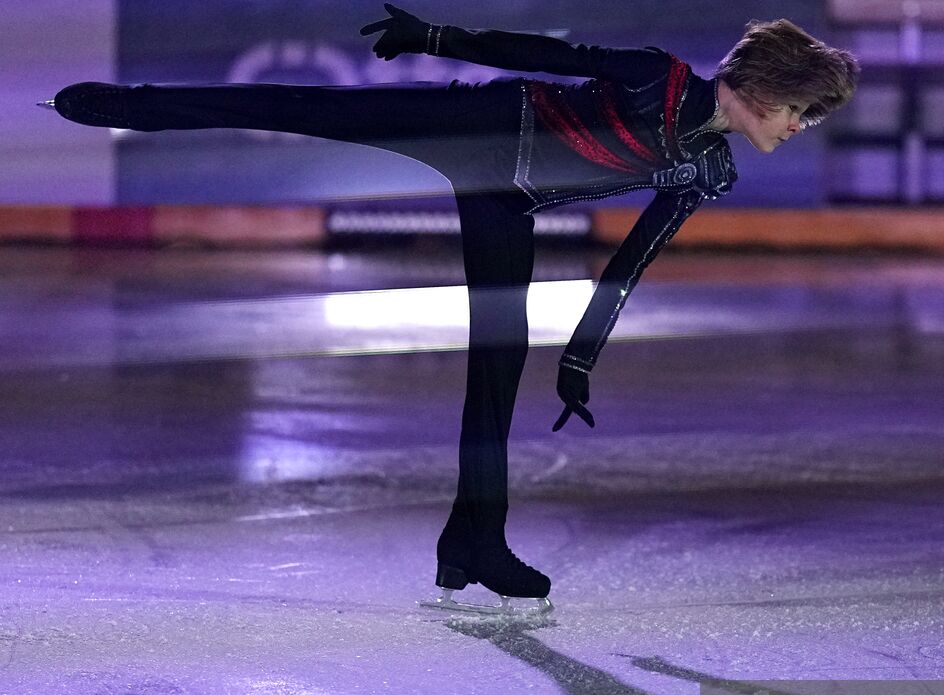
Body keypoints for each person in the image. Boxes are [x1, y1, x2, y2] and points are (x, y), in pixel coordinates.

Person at [48, 4, 859, 613]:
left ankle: (474, 542)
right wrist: (434, 39)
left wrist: (577, 361)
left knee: (496, 374)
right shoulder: (660, 76)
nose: (797, 129)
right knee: (308, 108)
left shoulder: (708, 169)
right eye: (799, 111)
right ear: (764, 88)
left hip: (507, 202)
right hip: (475, 123)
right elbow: (545, 53)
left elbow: (629, 262)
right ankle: (126, 103)